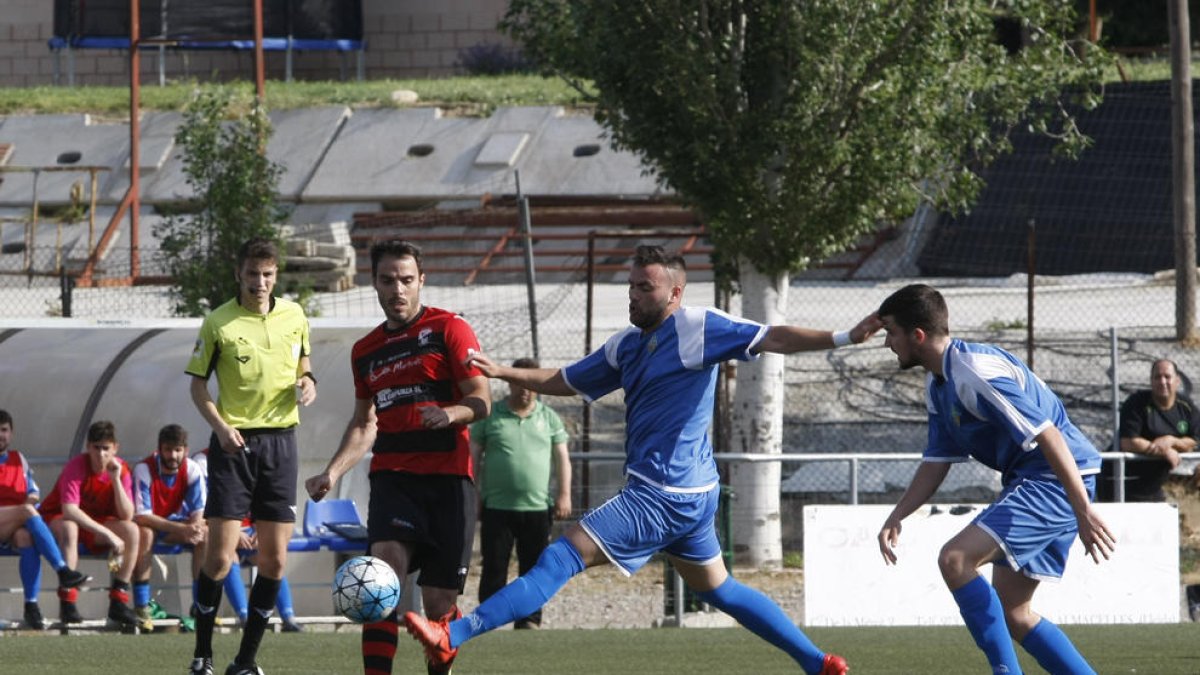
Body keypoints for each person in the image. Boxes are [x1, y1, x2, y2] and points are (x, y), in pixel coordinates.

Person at [405, 245, 876, 675]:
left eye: (645, 287)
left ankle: (452, 636)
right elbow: (567, 379)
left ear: (675, 293)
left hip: (661, 492)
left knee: (561, 556)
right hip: (693, 494)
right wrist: (504, 371)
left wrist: (844, 336)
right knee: (720, 589)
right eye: (631, 285)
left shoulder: (697, 327)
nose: (633, 294)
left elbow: (774, 336)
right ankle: (817, 662)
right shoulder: (626, 345)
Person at [873, 284, 1116, 674]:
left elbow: (1050, 435)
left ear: (917, 335)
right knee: (1014, 614)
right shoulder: (938, 383)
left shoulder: (974, 371)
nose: (887, 342)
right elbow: (936, 461)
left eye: (890, 332)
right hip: (1035, 479)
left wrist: (1083, 510)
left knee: (955, 559)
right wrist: (898, 514)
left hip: (1053, 480)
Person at [304, 239, 490, 675]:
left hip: (449, 480)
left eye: (406, 280)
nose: (397, 290)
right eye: (388, 280)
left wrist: (449, 414)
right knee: (379, 579)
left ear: (421, 281)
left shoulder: (449, 328)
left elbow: (482, 400)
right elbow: (364, 423)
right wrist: (332, 472)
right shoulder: (365, 350)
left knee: (439, 604)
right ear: (374, 283)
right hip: (394, 477)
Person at [185, 237, 317, 675]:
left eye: (267, 274)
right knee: (219, 558)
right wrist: (221, 428)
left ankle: (245, 661)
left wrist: (309, 381)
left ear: (276, 275)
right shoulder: (218, 322)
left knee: (274, 561)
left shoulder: (295, 315)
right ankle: (202, 656)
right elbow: (197, 386)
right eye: (252, 274)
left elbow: (303, 363)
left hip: (281, 445)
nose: (260, 282)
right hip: (234, 445)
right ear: (238, 274)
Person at [470, 357, 571, 630]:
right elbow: (473, 456)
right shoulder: (491, 415)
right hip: (497, 508)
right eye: (519, 382)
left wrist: (564, 494)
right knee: (494, 566)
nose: (525, 389)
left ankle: (529, 620)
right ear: (509, 383)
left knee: (534, 570)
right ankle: (487, 621)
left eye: (530, 383)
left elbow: (562, 459)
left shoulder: (548, 417)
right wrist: (473, 495)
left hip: (537, 508)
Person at [39, 419, 140, 628]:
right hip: (59, 517)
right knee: (70, 527)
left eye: (106, 448)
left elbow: (127, 514)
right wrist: (108, 534)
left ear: (115, 448)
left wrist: (115, 480)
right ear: (88, 447)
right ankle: (67, 601)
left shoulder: (121, 470)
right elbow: (69, 510)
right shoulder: (76, 466)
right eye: (96, 448)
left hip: (94, 523)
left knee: (132, 531)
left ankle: (118, 600)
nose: (101, 454)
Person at [0, 409, 90, 629]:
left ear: (11, 433)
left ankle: (31, 606)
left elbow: (33, 492)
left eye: (4, 430)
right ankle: (62, 570)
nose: (0, 435)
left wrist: (26, 504)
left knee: (26, 537)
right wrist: (23, 509)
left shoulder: (19, 459)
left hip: (13, 523)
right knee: (28, 512)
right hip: (9, 517)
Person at [132, 423, 207, 632]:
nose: (173, 455)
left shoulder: (192, 469)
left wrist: (195, 528)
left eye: (177, 450)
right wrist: (183, 529)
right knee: (145, 534)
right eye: (168, 450)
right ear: (159, 450)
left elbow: (199, 510)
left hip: (172, 526)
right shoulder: (144, 469)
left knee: (205, 535)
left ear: (186, 450)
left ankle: (200, 604)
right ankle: (142, 605)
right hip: (150, 526)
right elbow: (142, 516)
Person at [1099, 359, 1200, 502]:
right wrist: (1164, 451)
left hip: (1152, 485)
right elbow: (1128, 442)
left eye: (1167, 377)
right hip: (1121, 481)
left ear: (1177, 381)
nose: (1162, 382)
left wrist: (1171, 441)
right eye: (1157, 377)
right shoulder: (1136, 403)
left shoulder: (1186, 407)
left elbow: (1194, 441)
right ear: (1151, 381)